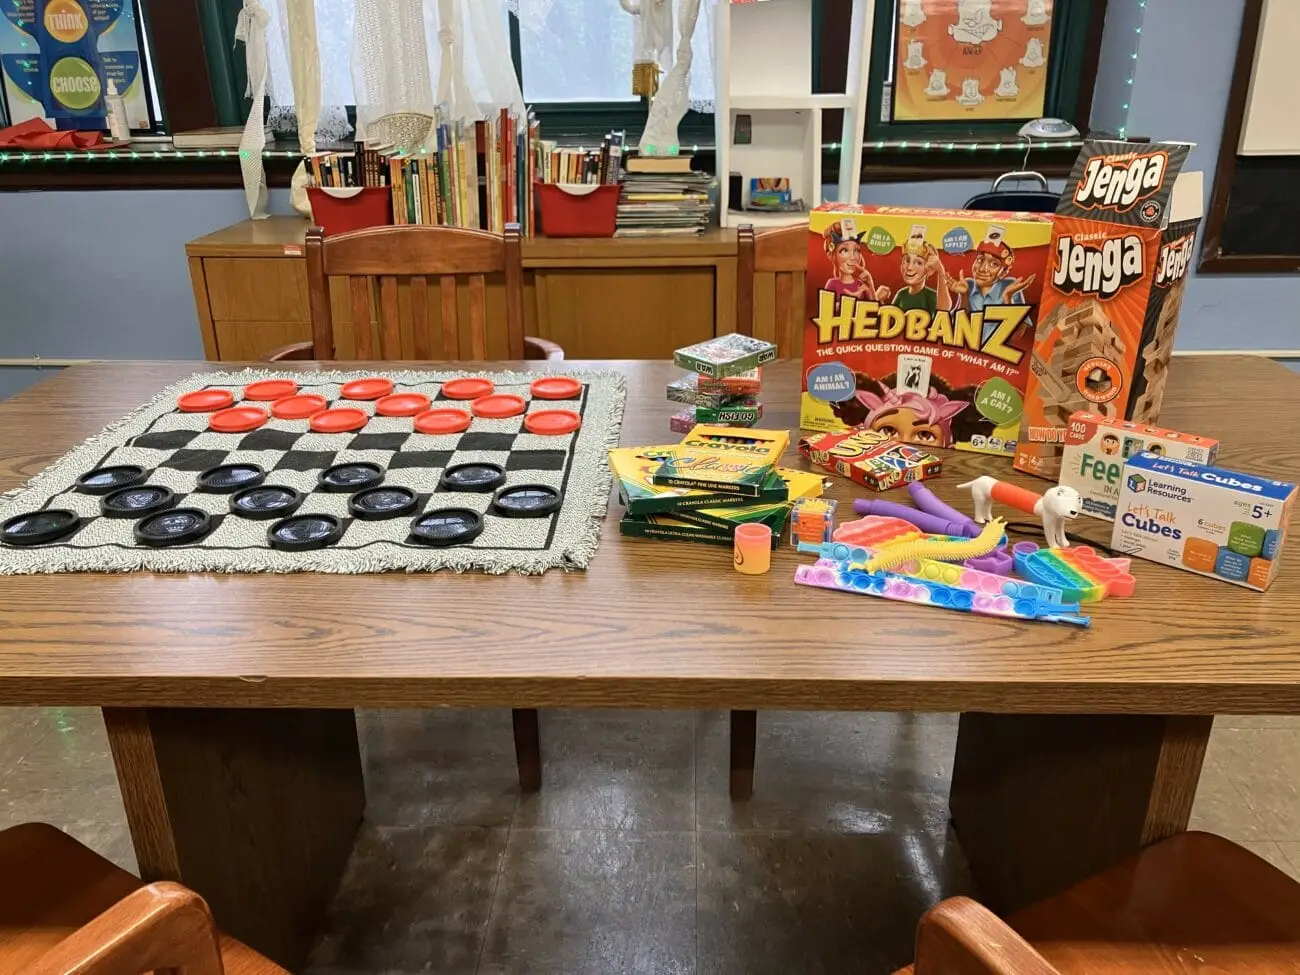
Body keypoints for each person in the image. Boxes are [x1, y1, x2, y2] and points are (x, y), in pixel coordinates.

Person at [948, 237, 1034, 343]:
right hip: (968, 354)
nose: (982, 269)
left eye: (994, 264)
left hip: (996, 355)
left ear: (1003, 273)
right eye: (980, 260)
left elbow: (1017, 335)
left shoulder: (1009, 286)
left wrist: (1008, 299)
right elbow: (957, 329)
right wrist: (964, 296)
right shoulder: (968, 284)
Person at [822, 220, 890, 302]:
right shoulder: (832, 284)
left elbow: (875, 310)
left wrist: (870, 283)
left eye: (856, 250)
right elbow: (826, 309)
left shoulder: (860, 284)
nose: (853, 257)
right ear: (831, 256)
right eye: (844, 250)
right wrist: (852, 301)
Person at [893, 238, 952, 315]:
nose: (909, 268)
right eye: (907, 261)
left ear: (930, 270)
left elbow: (944, 309)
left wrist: (940, 271)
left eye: (919, 263)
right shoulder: (901, 294)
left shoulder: (931, 296)